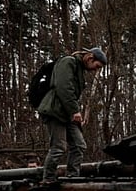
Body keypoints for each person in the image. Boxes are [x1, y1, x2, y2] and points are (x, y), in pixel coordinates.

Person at [37, 46, 107, 183]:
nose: (95, 70)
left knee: (79, 145)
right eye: (96, 66)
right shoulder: (68, 62)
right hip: (54, 110)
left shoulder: (80, 69)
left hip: (66, 113)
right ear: (90, 58)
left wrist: (74, 112)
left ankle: (72, 177)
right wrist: (75, 110)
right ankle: (48, 179)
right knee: (58, 147)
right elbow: (63, 87)